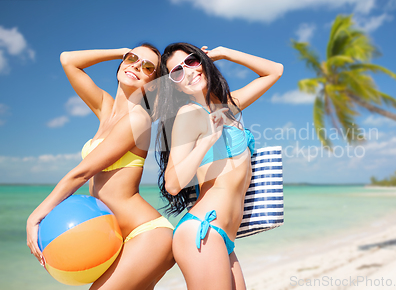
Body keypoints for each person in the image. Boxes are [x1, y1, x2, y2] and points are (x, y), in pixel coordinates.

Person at [26, 44, 175, 290]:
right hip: (117, 239)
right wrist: (120, 52)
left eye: (148, 67)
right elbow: (68, 60)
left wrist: (36, 216)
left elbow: (83, 172)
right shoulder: (106, 108)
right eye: (132, 59)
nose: (137, 66)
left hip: (147, 234)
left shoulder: (139, 118)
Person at [156, 42, 283, 289]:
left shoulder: (229, 105)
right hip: (204, 230)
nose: (189, 72)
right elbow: (172, 183)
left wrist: (224, 53)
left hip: (224, 237)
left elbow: (274, 70)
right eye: (177, 72)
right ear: (175, 85)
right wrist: (206, 142)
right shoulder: (188, 113)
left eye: (192, 61)